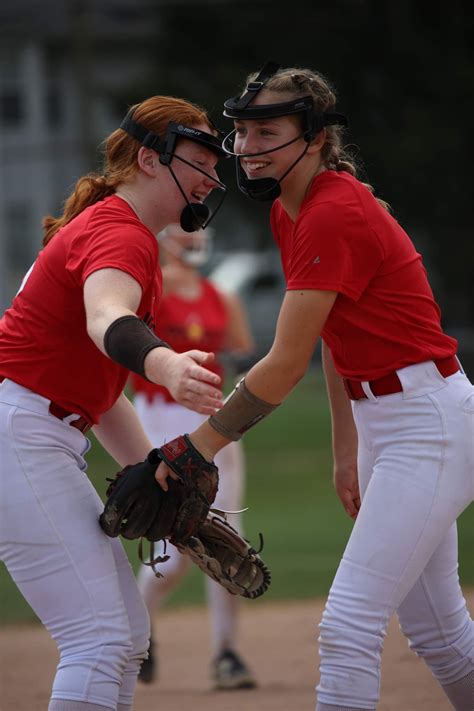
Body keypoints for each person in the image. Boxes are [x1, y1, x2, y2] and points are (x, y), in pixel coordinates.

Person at [155, 63, 474, 711]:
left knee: (348, 624)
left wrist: (195, 447)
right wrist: (347, 448)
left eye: (266, 129)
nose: (246, 145)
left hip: (428, 423)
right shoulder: (291, 214)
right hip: (396, 422)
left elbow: (282, 364)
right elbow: (335, 340)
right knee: (438, 634)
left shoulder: (332, 211)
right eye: (241, 131)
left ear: (317, 137)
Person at [0, 94, 229, 711]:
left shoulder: (119, 229)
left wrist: (163, 476)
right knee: (98, 638)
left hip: (33, 430)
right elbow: (108, 319)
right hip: (18, 432)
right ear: (151, 160)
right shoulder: (119, 231)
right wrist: (166, 364)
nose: (213, 174)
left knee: (123, 638)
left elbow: (100, 398)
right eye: (199, 157)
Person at [131, 222, 257, 690]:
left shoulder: (219, 294)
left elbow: (241, 346)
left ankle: (227, 653)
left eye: (199, 229)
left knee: (227, 535)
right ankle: (138, 633)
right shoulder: (149, 289)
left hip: (214, 419)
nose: (194, 237)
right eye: (184, 229)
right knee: (175, 545)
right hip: (159, 417)